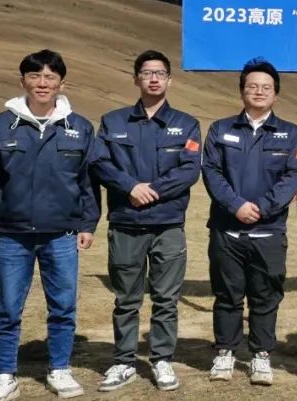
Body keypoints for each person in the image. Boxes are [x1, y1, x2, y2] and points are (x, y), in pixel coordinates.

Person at [0, 49, 99, 401]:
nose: (42, 83)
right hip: (11, 236)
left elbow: (88, 182)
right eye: (35, 76)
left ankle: (59, 369)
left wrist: (88, 223)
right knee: (9, 308)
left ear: (61, 83)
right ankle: (4, 374)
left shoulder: (79, 127)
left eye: (50, 77)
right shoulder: (1, 126)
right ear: (23, 81)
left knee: (63, 307)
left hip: (62, 235)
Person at [91, 50, 201, 392]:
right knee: (126, 299)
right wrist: (130, 187)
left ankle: (162, 359)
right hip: (126, 223)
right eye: (147, 72)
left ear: (170, 79)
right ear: (136, 78)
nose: (154, 78)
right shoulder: (113, 122)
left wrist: (150, 190)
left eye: (160, 73)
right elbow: (100, 163)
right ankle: (124, 361)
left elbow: (189, 169)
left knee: (166, 299)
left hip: (168, 225)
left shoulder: (187, 124)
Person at [202, 59, 297, 386]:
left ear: (276, 94)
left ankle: (261, 354)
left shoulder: (291, 133)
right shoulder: (221, 129)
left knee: (266, 296)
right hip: (227, 231)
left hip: (268, 232)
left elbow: (292, 177)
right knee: (227, 295)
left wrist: (261, 208)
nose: (259, 92)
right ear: (242, 91)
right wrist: (236, 206)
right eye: (252, 86)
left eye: (266, 87)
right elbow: (211, 172)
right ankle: (225, 351)